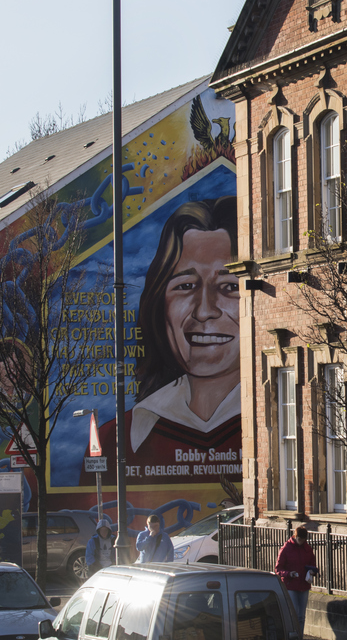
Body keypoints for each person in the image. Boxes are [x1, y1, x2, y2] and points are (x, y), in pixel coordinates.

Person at [92, 198, 242, 479]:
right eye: (186, 286)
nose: (205, 310)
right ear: (159, 304)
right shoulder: (115, 441)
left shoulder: (285, 421)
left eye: (229, 286)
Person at [275, 525, 318, 639]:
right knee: (294, 613)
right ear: (295, 536)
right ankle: (293, 639)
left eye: (303, 540)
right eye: (299, 539)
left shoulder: (307, 548)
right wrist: (289, 574)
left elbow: (312, 564)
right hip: (290, 585)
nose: (301, 542)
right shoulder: (286, 548)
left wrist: (312, 572)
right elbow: (278, 569)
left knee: (301, 616)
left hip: (304, 584)